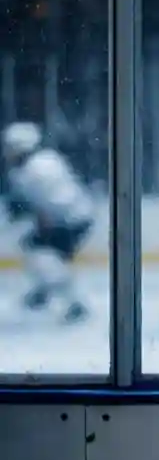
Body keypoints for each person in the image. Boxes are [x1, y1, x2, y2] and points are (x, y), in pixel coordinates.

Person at [1, 121, 96, 324]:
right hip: (73, 217)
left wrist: (41, 216)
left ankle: (69, 300)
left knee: (43, 256)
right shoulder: (43, 162)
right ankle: (49, 290)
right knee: (43, 254)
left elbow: (52, 202)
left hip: (69, 220)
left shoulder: (35, 169)